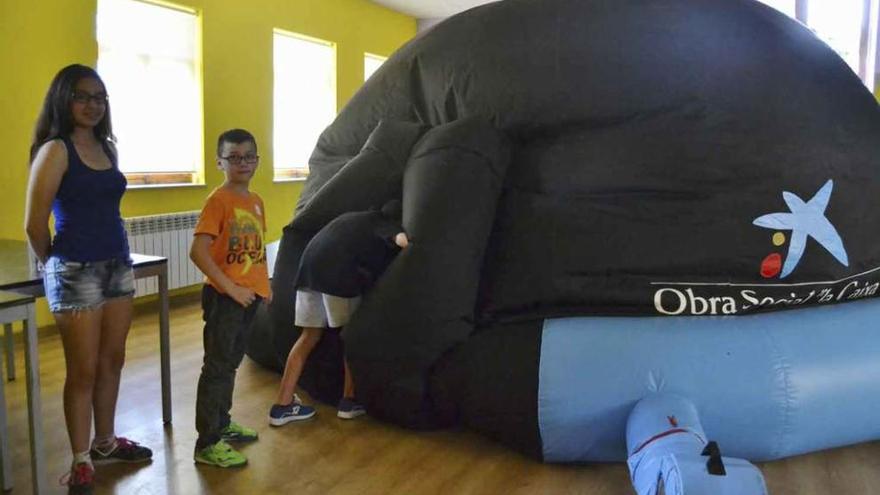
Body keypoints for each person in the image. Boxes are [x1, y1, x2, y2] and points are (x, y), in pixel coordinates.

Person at [24, 64, 153, 494]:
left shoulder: (107, 147)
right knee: (82, 371)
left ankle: (105, 443)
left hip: (117, 265)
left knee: (112, 360)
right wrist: (55, 266)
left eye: (99, 97)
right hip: (75, 270)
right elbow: (34, 224)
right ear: (64, 99)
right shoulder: (55, 150)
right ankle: (81, 460)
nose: (92, 105)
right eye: (82, 96)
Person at [269, 200, 409, 426]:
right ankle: (349, 401)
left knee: (308, 337)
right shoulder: (384, 223)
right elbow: (401, 241)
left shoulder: (353, 216)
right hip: (337, 275)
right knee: (350, 338)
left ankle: (282, 405)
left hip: (307, 272)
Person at [190, 129, 271, 468]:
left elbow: (255, 251)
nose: (242, 163)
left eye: (248, 156)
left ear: (257, 160)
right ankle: (207, 442)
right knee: (217, 366)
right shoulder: (218, 201)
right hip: (225, 299)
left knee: (231, 364)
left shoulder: (255, 201)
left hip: (248, 298)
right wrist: (230, 287)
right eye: (234, 157)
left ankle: (222, 423)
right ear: (219, 161)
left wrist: (264, 287)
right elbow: (198, 251)